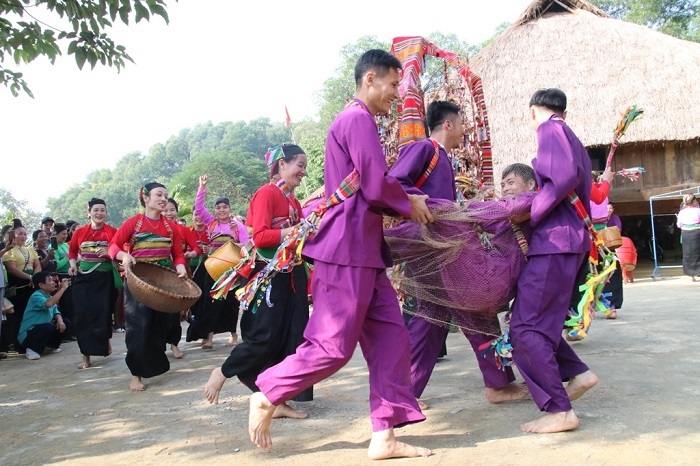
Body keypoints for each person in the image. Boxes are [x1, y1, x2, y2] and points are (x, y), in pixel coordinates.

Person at [246, 49, 433, 459]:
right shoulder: (356, 118)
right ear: (371, 79)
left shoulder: (358, 120)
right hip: (346, 249)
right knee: (332, 346)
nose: (396, 95)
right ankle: (268, 392)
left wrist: (407, 198)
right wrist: (411, 203)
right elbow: (374, 183)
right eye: (392, 84)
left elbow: (375, 183)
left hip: (365, 250)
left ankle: (385, 435)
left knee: (392, 340)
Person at [389, 101, 529, 405]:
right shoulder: (425, 148)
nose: (465, 130)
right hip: (438, 248)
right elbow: (394, 181)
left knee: (433, 318)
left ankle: (404, 395)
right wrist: (419, 202)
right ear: (449, 124)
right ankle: (497, 385)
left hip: (441, 249)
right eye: (462, 123)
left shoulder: (443, 159)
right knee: (472, 313)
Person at [509, 88, 599, 434]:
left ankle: (559, 411)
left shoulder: (549, 129)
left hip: (555, 240)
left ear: (534, 112)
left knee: (525, 326)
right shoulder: (568, 133)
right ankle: (578, 373)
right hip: (569, 240)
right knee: (542, 322)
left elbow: (560, 179)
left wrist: (531, 214)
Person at [204, 143, 314, 419]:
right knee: (265, 335)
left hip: (293, 276)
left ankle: (276, 400)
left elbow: (298, 239)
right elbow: (260, 238)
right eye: (299, 165)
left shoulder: (293, 201)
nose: (303, 171)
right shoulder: (267, 194)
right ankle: (224, 371)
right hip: (270, 277)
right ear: (281, 165)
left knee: (294, 337)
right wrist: (294, 230)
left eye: (304, 166)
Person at [108, 182, 188, 391]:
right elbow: (113, 246)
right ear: (146, 197)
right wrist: (124, 255)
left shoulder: (171, 227)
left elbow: (177, 253)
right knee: (139, 328)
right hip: (138, 282)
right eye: (158, 195)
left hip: (162, 282)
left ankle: (153, 364)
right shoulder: (133, 223)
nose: (163, 199)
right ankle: (136, 375)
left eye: (165, 196)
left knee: (159, 326)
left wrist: (180, 267)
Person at [190, 174, 247, 349]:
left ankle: (234, 335)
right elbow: (199, 208)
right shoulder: (211, 223)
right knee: (210, 302)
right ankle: (209, 337)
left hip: (231, 270)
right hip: (212, 268)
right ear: (214, 210)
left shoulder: (237, 226)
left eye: (225, 207)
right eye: (218, 207)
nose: (222, 210)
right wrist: (202, 188)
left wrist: (234, 243)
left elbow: (246, 244)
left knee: (231, 302)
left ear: (230, 209)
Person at [68, 198, 120, 369]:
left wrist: (108, 254)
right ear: (89, 211)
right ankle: (86, 357)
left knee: (103, 314)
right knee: (83, 316)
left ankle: (104, 342)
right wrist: (73, 266)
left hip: (104, 279)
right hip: (84, 279)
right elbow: (72, 253)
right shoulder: (80, 232)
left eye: (102, 210)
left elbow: (119, 253)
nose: (99, 213)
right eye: (96, 210)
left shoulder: (112, 232)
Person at [163, 198, 202, 358]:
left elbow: (196, 248)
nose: (169, 213)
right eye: (165, 210)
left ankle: (174, 344)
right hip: (156, 275)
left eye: (172, 209)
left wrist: (191, 254)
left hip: (178, 274)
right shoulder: (154, 229)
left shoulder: (183, 230)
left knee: (174, 312)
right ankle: (158, 346)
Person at [3, 225, 42, 352]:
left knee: (31, 314)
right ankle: (19, 344)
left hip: (31, 286)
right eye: (20, 234)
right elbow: (12, 269)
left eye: (25, 234)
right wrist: (29, 277)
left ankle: (33, 340)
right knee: (18, 315)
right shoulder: (9, 251)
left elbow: (37, 265)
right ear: (13, 235)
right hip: (18, 287)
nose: (23, 236)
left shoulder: (30, 250)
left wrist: (34, 278)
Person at [18, 271, 71, 360]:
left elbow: (56, 312)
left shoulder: (49, 297)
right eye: (50, 280)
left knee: (65, 322)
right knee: (47, 327)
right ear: (41, 285)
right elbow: (49, 304)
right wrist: (63, 289)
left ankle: (51, 346)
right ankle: (31, 349)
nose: (53, 282)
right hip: (28, 336)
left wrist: (60, 321)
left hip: (42, 330)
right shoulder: (36, 296)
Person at [677, 194, 700, 282]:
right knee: (698, 253)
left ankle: (691, 276)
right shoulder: (698, 210)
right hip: (697, 233)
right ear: (694, 201)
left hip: (686, 233)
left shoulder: (682, 212)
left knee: (688, 253)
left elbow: (679, 225)